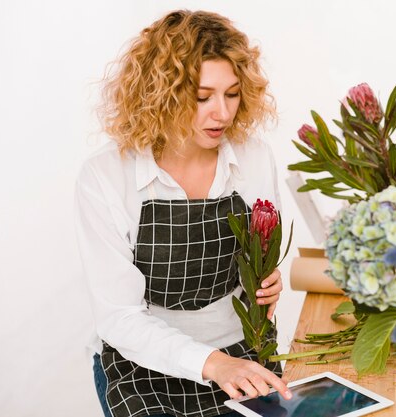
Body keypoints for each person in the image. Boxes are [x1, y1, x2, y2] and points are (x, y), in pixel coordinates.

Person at [74, 9, 291, 417]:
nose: (222, 113)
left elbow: (262, 259)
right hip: (140, 367)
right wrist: (212, 363)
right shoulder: (105, 175)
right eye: (202, 97)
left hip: (242, 356)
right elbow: (119, 317)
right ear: (161, 94)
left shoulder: (254, 158)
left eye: (232, 93)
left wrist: (267, 281)